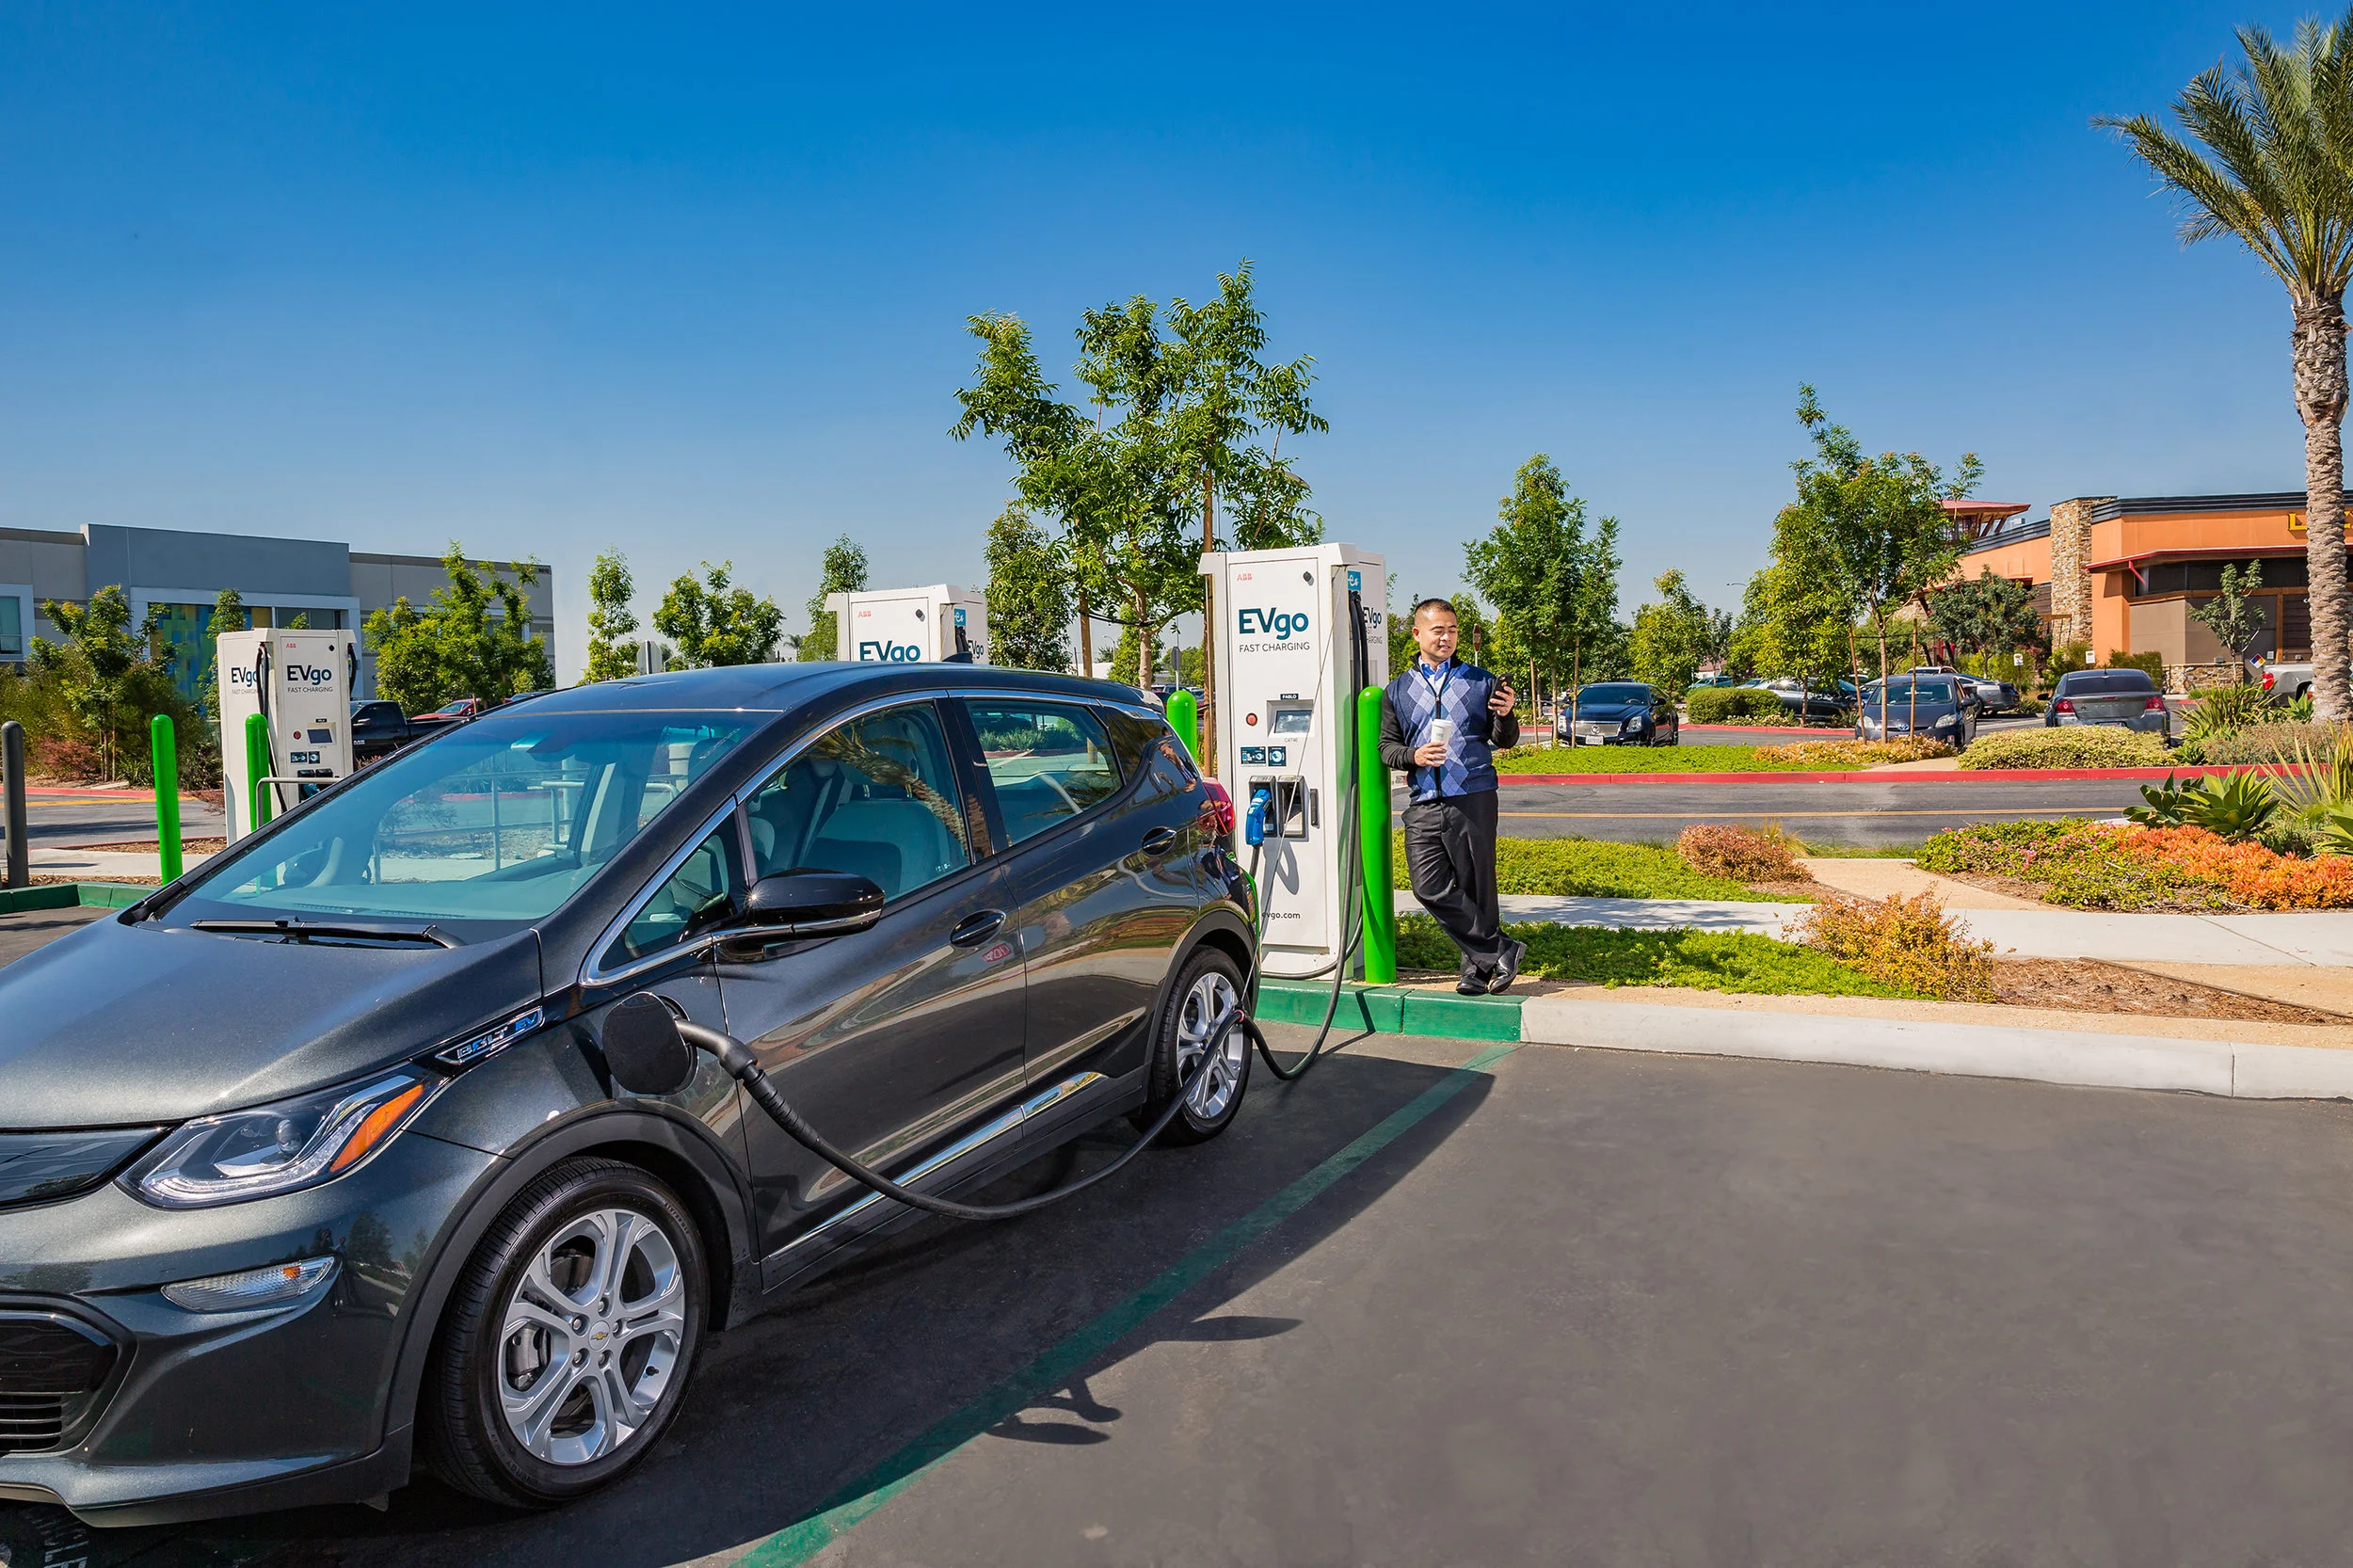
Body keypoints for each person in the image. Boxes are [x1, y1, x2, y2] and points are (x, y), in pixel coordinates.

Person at [1379, 598, 1525, 995]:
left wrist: (1507, 714)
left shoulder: (1481, 682)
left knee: (1477, 886)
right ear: (1417, 634)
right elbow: (1387, 748)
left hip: (1474, 795)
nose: (1446, 638)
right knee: (1427, 886)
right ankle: (1501, 950)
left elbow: (1505, 740)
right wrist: (1414, 756)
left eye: (1453, 631)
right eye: (1438, 630)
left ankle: (1476, 972)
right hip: (1424, 800)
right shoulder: (1397, 691)